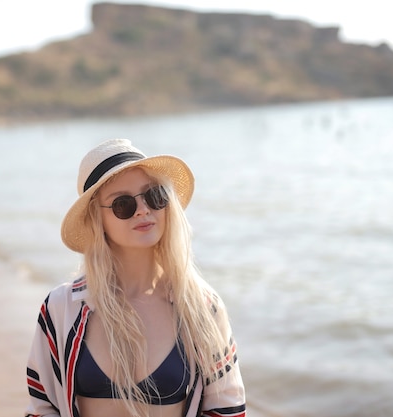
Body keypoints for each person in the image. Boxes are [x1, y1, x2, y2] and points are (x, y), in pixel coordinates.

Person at [25, 139, 246, 417]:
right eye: (123, 204)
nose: (143, 209)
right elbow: (41, 407)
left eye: (154, 196)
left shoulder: (202, 308)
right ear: (97, 219)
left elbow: (227, 409)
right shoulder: (61, 308)